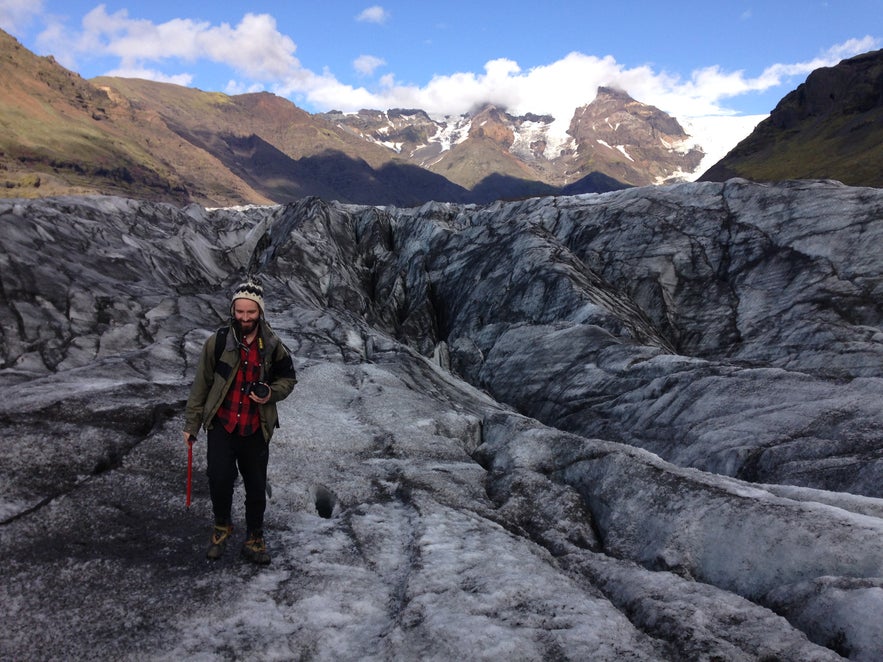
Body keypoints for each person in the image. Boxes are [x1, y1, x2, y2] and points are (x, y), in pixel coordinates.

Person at [183, 278, 297, 564]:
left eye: (251, 312)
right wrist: (191, 425)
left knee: (256, 487)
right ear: (232, 310)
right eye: (240, 312)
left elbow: (289, 379)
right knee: (219, 480)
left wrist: (270, 392)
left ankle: (254, 538)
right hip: (222, 425)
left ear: (260, 312)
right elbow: (201, 384)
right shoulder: (218, 342)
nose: (245, 318)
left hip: (255, 428)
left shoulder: (271, 345)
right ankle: (222, 527)